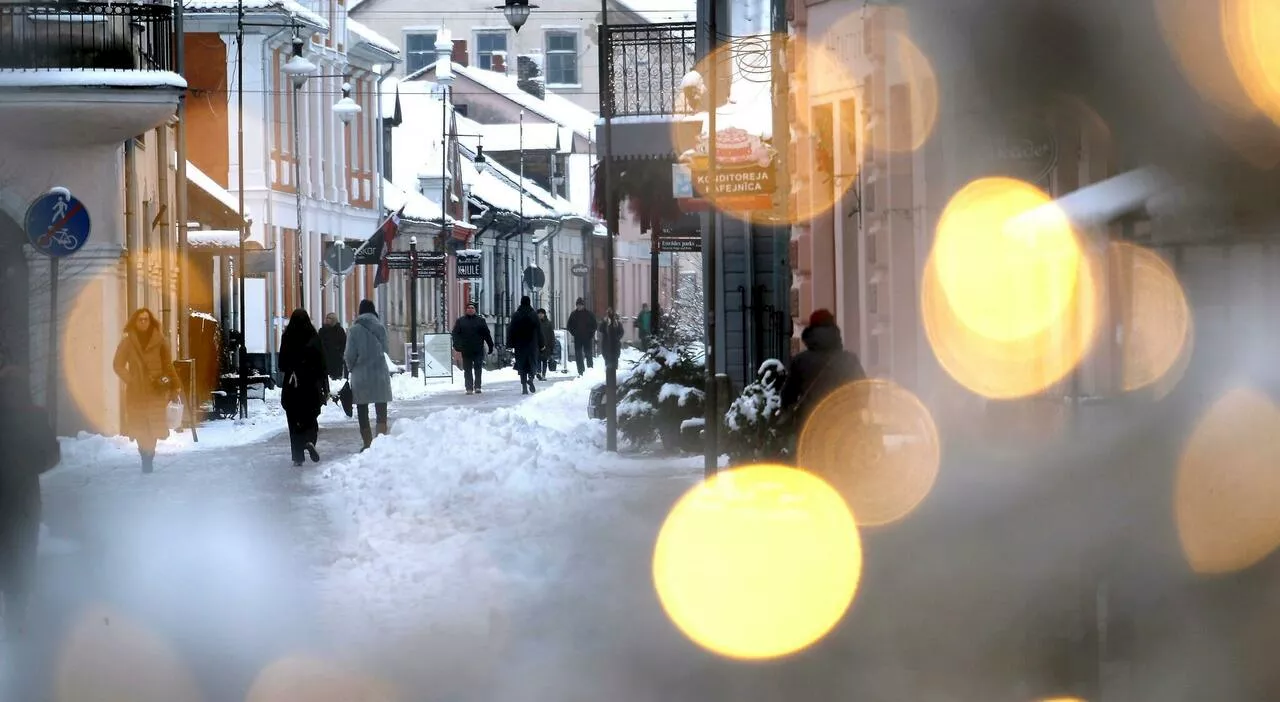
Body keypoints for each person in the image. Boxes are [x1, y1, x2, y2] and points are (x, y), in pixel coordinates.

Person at [0, 366, 59, 640]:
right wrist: (29, 465)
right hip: (24, 500)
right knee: (22, 557)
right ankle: (16, 618)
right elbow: (50, 456)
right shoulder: (35, 416)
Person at [113, 308, 181, 474]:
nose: (143, 322)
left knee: (153, 427)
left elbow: (167, 364)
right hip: (136, 393)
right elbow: (118, 365)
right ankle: (145, 455)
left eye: (146, 319)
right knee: (140, 427)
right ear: (135, 322)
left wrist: (175, 384)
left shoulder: (160, 340)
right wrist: (131, 380)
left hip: (155, 391)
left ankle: (149, 457)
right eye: (140, 319)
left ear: (151, 321)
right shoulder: (128, 342)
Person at [780, 309, 866, 427]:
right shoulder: (849, 360)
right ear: (835, 331)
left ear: (810, 332)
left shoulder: (801, 361)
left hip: (811, 425)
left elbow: (788, 396)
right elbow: (863, 391)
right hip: (844, 426)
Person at [278, 309, 329, 467]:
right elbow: (322, 364)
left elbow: (281, 364)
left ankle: (297, 456)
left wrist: (293, 366)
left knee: (293, 420)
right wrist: (325, 386)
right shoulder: (314, 337)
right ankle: (309, 440)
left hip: (293, 386)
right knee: (311, 417)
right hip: (310, 386)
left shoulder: (287, 337)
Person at [344, 299, 393, 451]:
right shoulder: (380, 327)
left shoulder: (354, 329)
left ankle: (367, 443)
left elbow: (349, 354)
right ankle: (381, 441)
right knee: (381, 406)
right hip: (379, 373)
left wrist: (351, 368)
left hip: (361, 374)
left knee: (362, 408)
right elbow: (386, 349)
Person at [451, 303, 494, 395]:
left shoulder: (480, 321)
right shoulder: (461, 321)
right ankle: (469, 388)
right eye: (468, 308)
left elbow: (487, 334)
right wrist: (457, 345)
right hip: (466, 349)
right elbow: (455, 334)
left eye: (472, 308)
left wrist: (490, 346)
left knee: (478, 368)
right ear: (466, 310)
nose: (470, 309)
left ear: (475, 310)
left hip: (478, 349)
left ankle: (478, 386)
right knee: (467, 369)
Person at [506, 295, 544, 395]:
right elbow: (539, 331)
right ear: (529, 302)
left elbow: (511, 330)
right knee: (532, 363)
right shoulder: (534, 315)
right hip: (532, 344)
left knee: (522, 365)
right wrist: (542, 344)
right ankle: (531, 378)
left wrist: (509, 344)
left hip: (520, 345)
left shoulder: (516, 315)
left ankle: (524, 387)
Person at [567, 297, 597, 376]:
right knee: (578, 355)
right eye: (578, 305)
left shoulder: (589, 314)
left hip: (587, 337)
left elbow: (595, 325)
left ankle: (590, 369)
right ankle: (580, 371)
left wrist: (591, 333)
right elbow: (569, 325)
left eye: (580, 305)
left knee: (588, 354)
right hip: (578, 338)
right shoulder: (573, 314)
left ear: (583, 305)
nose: (579, 306)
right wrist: (574, 333)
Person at [317, 312, 347, 382]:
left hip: (336, 360)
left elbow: (344, 343)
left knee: (336, 380)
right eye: (326, 318)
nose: (327, 320)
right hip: (325, 358)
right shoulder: (322, 331)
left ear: (334, 320)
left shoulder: (340, 330)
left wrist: (340, 353)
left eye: (329, 318)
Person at [536, 308, 555, 381]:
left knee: (544, 360)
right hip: (537, 345)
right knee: (538, 359)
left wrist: (552, 346)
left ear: (544, 314)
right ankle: (538, 372)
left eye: (541, 313)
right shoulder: (535, 323)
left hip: (546, 345)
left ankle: (543, 374)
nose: (540, 315)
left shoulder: (548, 323)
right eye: (539, 314)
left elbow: (552, 335)